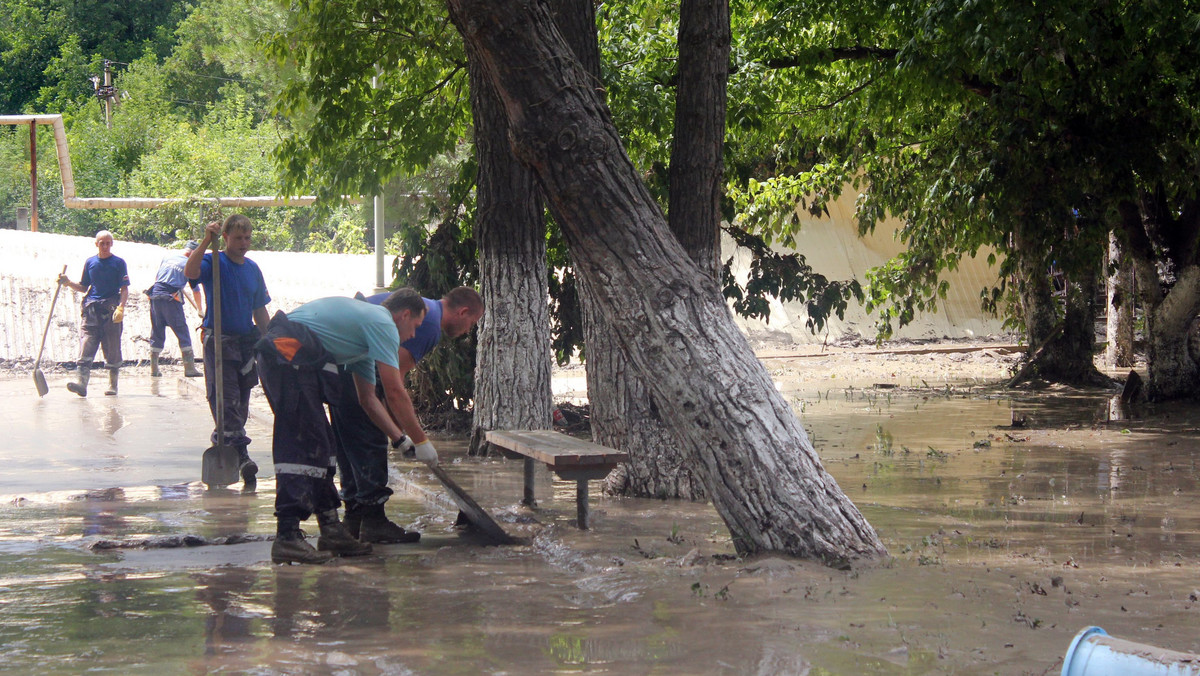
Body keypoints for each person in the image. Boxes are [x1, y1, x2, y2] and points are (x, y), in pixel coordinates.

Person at [255, 289, 428, 564]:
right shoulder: (383, 323)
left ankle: (331, 529)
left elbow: (368, 400)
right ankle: (286, 536)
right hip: (287, 351)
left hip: (291, 355)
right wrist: (422, 441)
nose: (413, 335)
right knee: (304, 446)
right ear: (404, 315)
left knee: (323, 446)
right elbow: (394, 392)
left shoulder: (361, 345)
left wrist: (400, 440)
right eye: (415, 326)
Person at [332, 286, 484, 543]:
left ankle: (354, 520)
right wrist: (416, 438)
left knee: (351, 444)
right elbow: (393, 384)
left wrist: (402, 434)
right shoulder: (428, 324)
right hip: (353, 367)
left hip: (338, 364)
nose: (469, 330)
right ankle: (373, 522)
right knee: (369, 440)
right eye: (472, 322)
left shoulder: (427, 308)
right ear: (463, 311)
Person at [184, 215, 270, 487]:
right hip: (219, 342)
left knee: (241, 402)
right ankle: (243, 456)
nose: (244, 243)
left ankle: (222, 441)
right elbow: (190, 273)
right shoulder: (213, 261)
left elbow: (260, 310)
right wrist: (205, 241)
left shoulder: (253, 269)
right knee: (225, 399)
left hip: (246, 343)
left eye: (247, 238)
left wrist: (271, 341)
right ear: (225, 239)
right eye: (238, 238)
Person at [59, 230, 130, 397]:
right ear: (96, 244)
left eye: (107, 243)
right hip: (91, 310)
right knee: (86, 345)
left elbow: (124, 288)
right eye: (101, 243)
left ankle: (113, 385)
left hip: (111, 310)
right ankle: (81, 384)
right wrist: (68, 282)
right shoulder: (90, 262)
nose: (104, 246)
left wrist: (121, 307)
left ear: (111, 244)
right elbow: (84, 287)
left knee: (112, 347)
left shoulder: (119, 263)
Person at [146, 240, 203, 378]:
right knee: (182, 332)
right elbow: (196, 290)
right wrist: (200, 309)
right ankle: (189, 368)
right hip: (170, 300)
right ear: (193, 253)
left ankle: (153, 369)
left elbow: (158, 278)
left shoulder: (168, 257)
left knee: (157, 332)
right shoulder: (189, 264)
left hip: (155, 296)